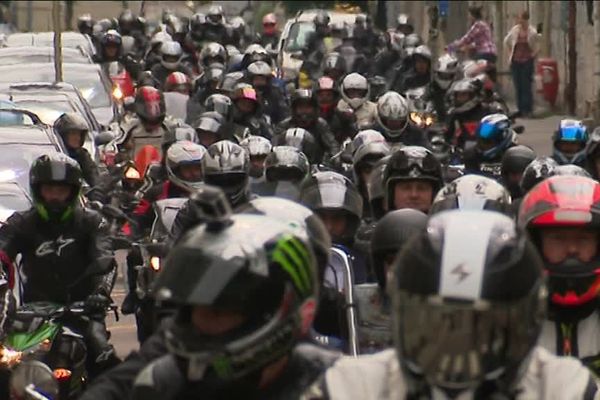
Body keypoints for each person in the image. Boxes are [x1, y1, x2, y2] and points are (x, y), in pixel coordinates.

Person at [312, 210, 599, 400]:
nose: (459, 344)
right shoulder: (352, 386)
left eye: (481, 326)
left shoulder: (565, 388)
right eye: (441, 322)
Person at [82, 204, 340, 400]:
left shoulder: (331, 380)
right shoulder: (172, 362)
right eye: (198, 307)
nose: (201, 321)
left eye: (222, 309)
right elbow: (117, 385)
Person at [0, 153, 119, 378]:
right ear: (38, 190)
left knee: (101, 354)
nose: (55, 197)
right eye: (49, 190)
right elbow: (2, 252)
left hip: (81, 310)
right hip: (32, 315)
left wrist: (100, 293)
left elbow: (106, 260)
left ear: (72, 192)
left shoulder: (91, 222)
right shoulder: (22, 222)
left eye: (61, 190)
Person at [519, 175, 600, 376]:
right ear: (535, 244)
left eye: (583, 239)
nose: (572, 249)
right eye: (558, 238)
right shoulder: (510, 322)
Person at [276, 89, 340, 159]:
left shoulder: (320, 124)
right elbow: (275, 145)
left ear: (315, 109)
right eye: (301, 107)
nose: (304, 111)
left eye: (308, 107)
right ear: (294, 109)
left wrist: (336, 158)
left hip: (315, 165)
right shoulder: (285, 125)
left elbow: (332, 144)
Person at [383, 146, 443, 214]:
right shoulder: (379, 225)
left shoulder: (450, 224)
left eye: (422, 188)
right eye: (406, 188)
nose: (414, 195)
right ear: (391, 193)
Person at [504, 10, 540, 117]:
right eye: (519, 19)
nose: (520, 21)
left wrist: (533, 54)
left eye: (521, 19)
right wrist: (510, 53)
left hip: (527, 61)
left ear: (526, 19)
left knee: (526, 85)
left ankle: (528, 109)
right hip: (516, 61)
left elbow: (538, 44)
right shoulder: (515, 30)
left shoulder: (532, 31)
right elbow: (507, 41)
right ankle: (520, 109)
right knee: (518, 85)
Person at [53, 112, 100, 188]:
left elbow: (94, 178)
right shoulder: (54, 155)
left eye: (79, 134)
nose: (77, 138)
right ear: (63, 135)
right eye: (73, 133)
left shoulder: (82, 155)